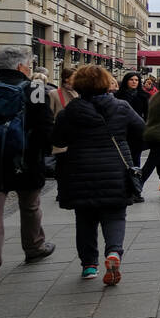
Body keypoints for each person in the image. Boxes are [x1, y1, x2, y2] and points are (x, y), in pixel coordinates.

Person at [51, 65, 144, 284]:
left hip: (79, 170)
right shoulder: (121, 107)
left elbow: (58, 141)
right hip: (115, 170)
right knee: (115, 215)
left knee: (84, 219)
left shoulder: (70, 111)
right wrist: (123, 141)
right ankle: (113, 253)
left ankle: (89, 265)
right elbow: (142, 130)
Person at [0, 45, 56, 282]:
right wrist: (45, 152)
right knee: (29, 205)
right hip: (26, 156)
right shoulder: (36, 87)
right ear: (21, 67)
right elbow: (44, 125)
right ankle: (34, 246)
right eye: (28, 65)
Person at [115, 72, 149, 167]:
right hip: (122, 128)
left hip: (137, 129)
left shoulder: (143, 96)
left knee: (136, 156)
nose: (134, 82)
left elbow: (147, 113)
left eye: (136, 80)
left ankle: (135, 177)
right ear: (126, 81)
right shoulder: (118, 95)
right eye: (131, 80)